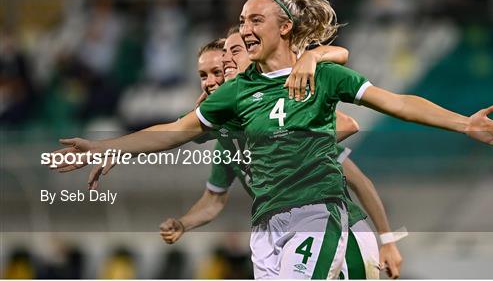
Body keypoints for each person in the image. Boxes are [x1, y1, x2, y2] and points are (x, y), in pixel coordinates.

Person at [51, 0, 493, 279]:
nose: (245, 30)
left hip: (318, 215)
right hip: (266, 228)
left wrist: (463, 123)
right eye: (241, 22)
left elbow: (395, 102)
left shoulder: (322, 76)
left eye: (255, 20)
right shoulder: (236, 95)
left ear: (286, 27)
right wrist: (104, 147)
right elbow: (173, 131)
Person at [159, 29, 402, 279]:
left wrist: (388, 239)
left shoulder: (283, 121)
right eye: (203, 75)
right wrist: (182, 224)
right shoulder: (228, 143)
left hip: (343, 235)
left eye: (218, 72)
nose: (210, 82)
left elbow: (350, 132)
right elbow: (213, 200)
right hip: (290, 235)